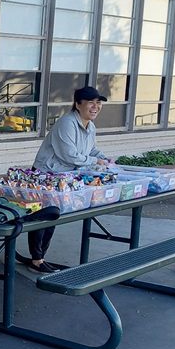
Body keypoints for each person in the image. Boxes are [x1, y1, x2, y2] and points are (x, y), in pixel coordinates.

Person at [27, 85, 113, 273]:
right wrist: (95, 161)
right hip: (46, 175)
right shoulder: (67, 123)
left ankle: (40, 257)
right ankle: (36, 259)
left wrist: (105, 159)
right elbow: (69, 155)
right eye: (91, 102)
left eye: (98, 103)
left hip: (65, 177)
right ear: (77, 104)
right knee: (43, 216)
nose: (95, 107)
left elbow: (90, 149)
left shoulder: (90, 126)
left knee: (55, 215)